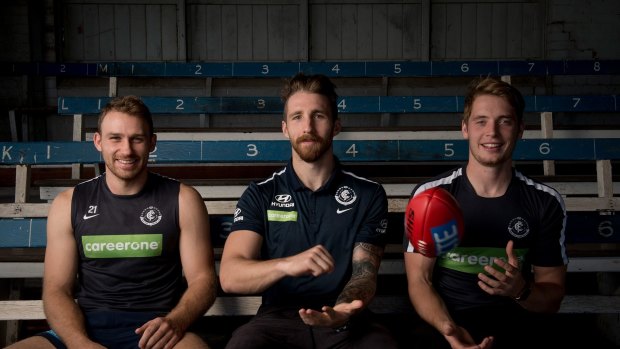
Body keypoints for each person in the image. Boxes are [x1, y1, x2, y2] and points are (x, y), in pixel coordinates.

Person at [7, 96, 217, 349]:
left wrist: (176, 322)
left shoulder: (183, 199)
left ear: (152, 142)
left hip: (157, 333)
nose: (126, 150)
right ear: (98, 141)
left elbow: (203, 281)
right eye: (115, 138)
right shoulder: (68, 204)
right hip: (83, 330)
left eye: (136, 139)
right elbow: (56, 290)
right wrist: (79, 343)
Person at [219, 73, 399, 349]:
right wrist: (286, 264)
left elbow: (365, 272)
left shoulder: (368, 193)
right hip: (278, 319)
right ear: (284, 128)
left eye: (319, 116)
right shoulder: (261, 193)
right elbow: (230, 276)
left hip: (346, 320)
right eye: (297, 117)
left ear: (336, 125)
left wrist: (342, 311)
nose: (308, 127)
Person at [403, 77, 568, 349]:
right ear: (465, 129)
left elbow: (552, 297)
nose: (492, 132)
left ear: (520, 130)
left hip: (517, 322)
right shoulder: (431, 197)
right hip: (446, 322)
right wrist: (450, 331)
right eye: (481, 121)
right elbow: (420, 282)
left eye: (504, 121)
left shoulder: (544, 202)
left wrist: (520, 289)